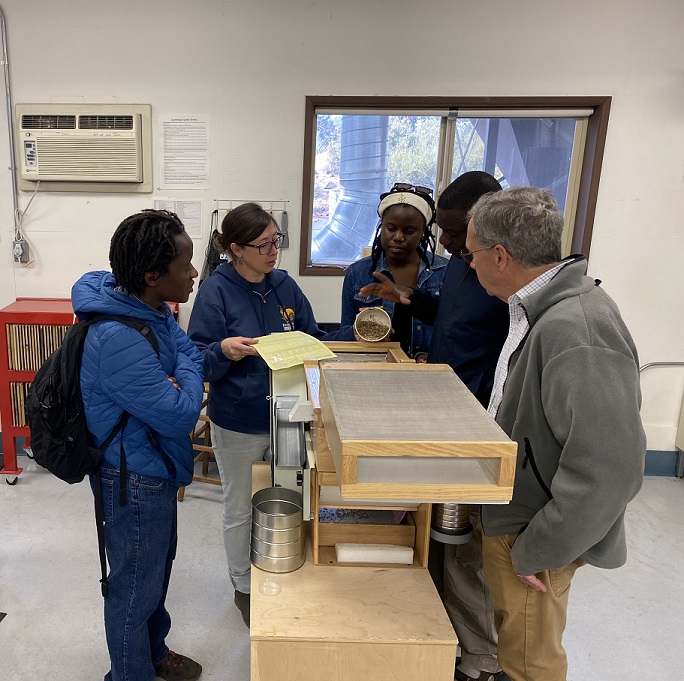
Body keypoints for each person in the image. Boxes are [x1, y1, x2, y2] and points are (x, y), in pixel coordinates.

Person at [465, 186, 646, 681]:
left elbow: (611, 470)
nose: (470, 265)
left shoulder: (577, 329)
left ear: (500, 256)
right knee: (515, 648)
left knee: (530, 663)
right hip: (515, 517)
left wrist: (537, 548)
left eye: (471, 253)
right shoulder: (538, 310)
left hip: (533, 533)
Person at [359, 171, 509, 681]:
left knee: (464, 545)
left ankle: (481, 657)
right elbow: (452, 318)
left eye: (451, 231)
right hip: (443, 411)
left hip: (474, 424)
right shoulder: (468, 266)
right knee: (437, 532)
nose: (444, 242)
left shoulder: (502, 276)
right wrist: (408, 298)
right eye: (443, 233)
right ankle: (441, 628)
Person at [187, 202, 355, 628]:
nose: (272, 251)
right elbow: (197, 360)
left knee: (290, 496)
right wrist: (223, 351)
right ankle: (242, 585)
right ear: (235, 249)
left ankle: (284, 562)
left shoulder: (284, 286)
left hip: (289, 414)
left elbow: (312, 338)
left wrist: (348, 336)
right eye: (262, 245)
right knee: (241, 507)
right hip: (239, 418)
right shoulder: (216, 291)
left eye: (275, 241)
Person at [73, 209, 205, 681]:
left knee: (154, 576)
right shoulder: (117, 337)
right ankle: (128, 675)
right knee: (133, 588)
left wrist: (180, 376)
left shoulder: (148, 309)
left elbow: (188, 351)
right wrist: (183, 384)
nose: (193, 274)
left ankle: (152, 652)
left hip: (155, 464)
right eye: (185, 266)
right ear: (153, 276)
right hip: (131, 479)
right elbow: (181, 412)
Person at [340, 182, 448, 357]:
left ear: (423, 232)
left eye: (409, 230)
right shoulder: (358, 273)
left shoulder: (444, 271)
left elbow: (451, 329)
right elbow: (346, 335)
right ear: (381, 227)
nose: (398, 237)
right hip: (375, 371)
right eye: (391, 228)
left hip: (428, 373)